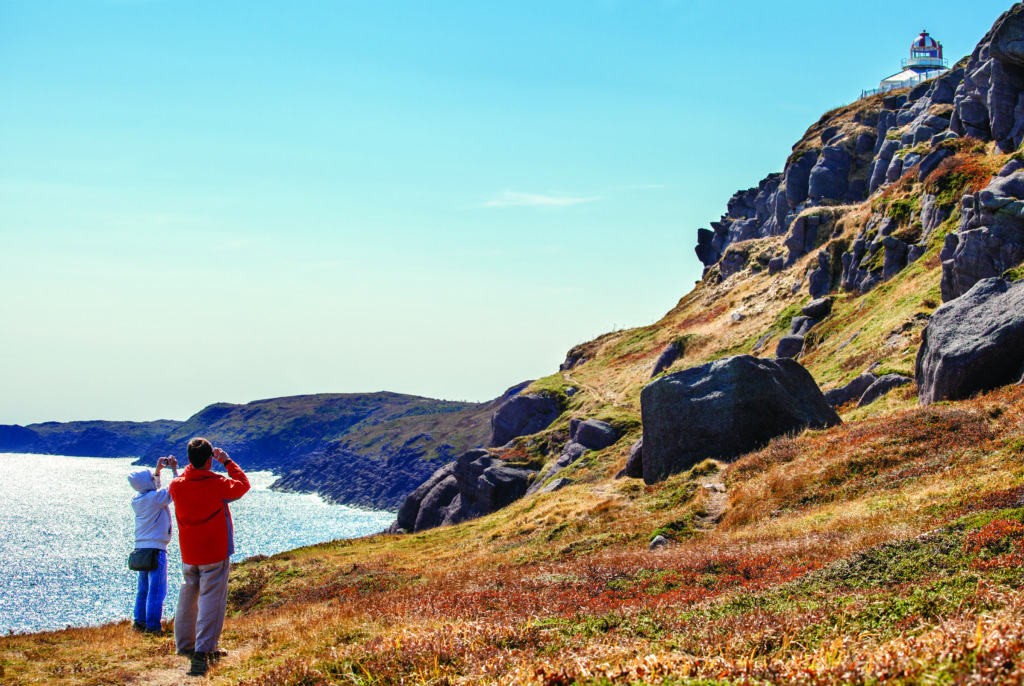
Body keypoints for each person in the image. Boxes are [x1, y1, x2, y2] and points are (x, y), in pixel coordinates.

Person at [169, 437, 250, 677]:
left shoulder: (177, 485)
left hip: (189, 552)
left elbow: (183, 476)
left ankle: (184, 645)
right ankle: (205, 648)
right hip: (214, 551)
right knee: (211, 600)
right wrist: (227, 461)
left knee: (187, 597)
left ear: (189, 460)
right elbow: (243, 485)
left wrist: (189, 468)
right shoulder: (218, 484)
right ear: (209, 460)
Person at [127, 455, 178, 634]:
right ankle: (153, 627)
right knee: (157, 590)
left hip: (141, 549)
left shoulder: (138, 500)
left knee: (143, 589)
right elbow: (174, 490)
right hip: (156, 550)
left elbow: (153, 490)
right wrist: (173, 470)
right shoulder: (154, 499)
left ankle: (139, 623)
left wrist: (156, 472)